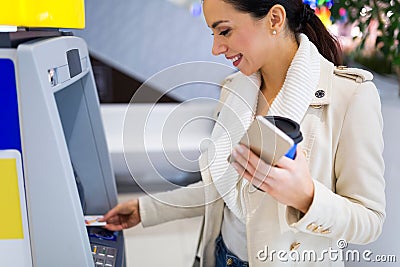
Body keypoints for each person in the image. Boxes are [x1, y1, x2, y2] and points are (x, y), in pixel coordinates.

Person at [101, 0, 386, 266]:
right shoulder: (233, 88)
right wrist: (148, 209)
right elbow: (224, 188)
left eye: (224, 31)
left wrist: (305, 196)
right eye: (213, 33)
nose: (215, 48)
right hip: (222, 255)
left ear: (274, 18)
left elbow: (369, 220)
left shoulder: (351, 96)